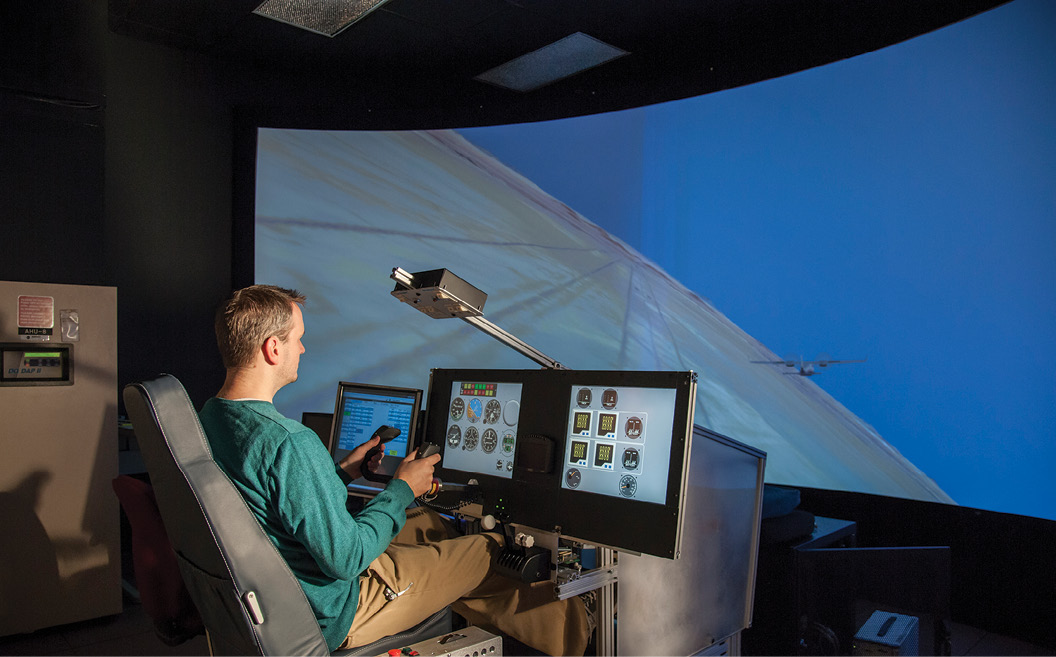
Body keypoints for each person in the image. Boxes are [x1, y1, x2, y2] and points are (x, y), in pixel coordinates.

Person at [198, 284, 590, 655]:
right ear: (271, 348)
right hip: (333, 609)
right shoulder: (288, 441)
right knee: (490, 548)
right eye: (297, 338)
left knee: (434, 526)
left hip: (282, 591)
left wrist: (343, 473)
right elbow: (346, 559)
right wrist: (403, 487)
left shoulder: (212, 419)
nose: (302, 347)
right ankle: (576, 639)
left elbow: (275, 504)